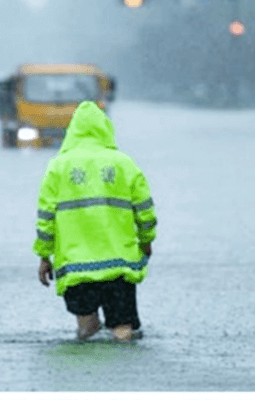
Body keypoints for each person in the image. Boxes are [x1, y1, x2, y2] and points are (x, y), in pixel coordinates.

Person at [33, 100, 157, 342]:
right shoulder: (124, 164)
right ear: (105, 128)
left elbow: (46, 217)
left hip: (76, 268)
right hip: (119, 267)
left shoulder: (58, 168)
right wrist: (146, 240)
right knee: (123, 330)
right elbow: (145, 210)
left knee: (86, 331)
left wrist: (44, 256)